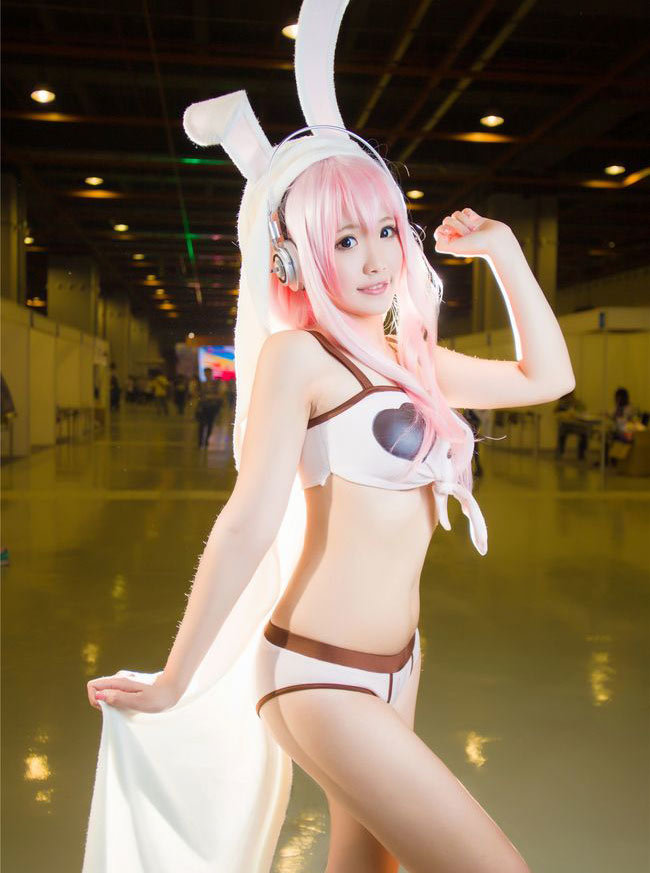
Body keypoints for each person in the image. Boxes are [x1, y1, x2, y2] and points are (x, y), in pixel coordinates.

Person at [83, 6, 574, 871]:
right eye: (345, 239)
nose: (377, 258)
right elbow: (248, 521)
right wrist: (174, 678)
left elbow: (547, 378)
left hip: (399, 665)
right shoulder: (299, 357)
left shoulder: (410, 357)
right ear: (299, 257)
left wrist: (504, 252)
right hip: (319, 673)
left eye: (385, 230)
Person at [554, 388, 589, 461]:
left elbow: (583, 411)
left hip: (577, 425)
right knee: (561, 432)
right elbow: (556, 413)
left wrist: (576, 412)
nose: (570, 396)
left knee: (584, 432)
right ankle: (560, 452)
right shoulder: (561, 404)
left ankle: (581, 454)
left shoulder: (577, 402)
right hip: (566, 426)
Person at [195, 367, 223, 448]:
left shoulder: (216, 384)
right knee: (201, 424)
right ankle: (200, 442)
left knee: (210, 424)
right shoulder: (201, 384)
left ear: (211, 374)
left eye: (208, 373)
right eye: (206, 373)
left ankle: (206, 440)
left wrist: (211, 397)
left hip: (212, 407)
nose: (207, 375)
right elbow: (197, 395)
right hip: (202, 407)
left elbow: (220, 395)